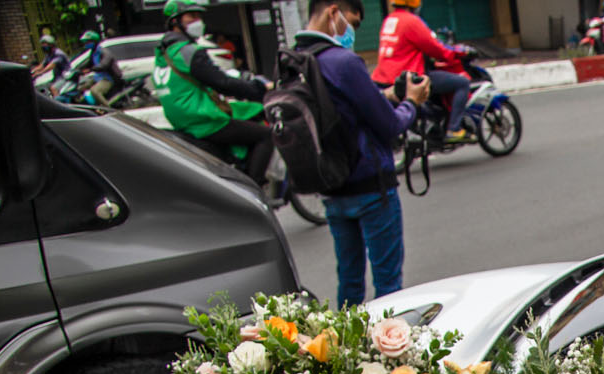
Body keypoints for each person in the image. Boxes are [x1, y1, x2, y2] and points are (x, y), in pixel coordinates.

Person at [293, 0, 429, 307]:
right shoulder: (343, 61)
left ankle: (349, 350)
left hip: (332, 188)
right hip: (371, 189)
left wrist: (389, 95)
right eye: (351, 23)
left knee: (350, 283)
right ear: (333, 12)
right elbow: (391, 125)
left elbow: (341, 109)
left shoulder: (295, 60)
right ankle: (387, 349)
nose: (351, 31)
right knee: (388, 286)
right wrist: (411, 101)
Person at [153, 0, 273, 182]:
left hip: (183, 119)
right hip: (203, 120)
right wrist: (260, 90)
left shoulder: (163, 54)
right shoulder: (188, 52)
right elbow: (222, 82)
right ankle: (254, 189)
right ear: (175, 22)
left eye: (199, 16)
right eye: (191, 16)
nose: (198, 21)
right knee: (265, 135)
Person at [372, 0, 471, 140]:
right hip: (409, 76)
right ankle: (454, 129)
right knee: (462, 83)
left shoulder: (389, 19)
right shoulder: (412, 21)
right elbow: (434, 48)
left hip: (384, 77)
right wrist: (456, 54)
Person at [79, 31, 122, 104]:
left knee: (95, 91)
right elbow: (88, 64)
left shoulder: (104, 52)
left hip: (108, 79)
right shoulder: (93, 53)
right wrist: (77, 70)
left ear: (94, 42)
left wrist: (90, 70)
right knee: (81, 88)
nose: (86, 44)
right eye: (85, 43)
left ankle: (107, 109)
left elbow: (103, 65)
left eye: (88, 42)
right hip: (97, 78)